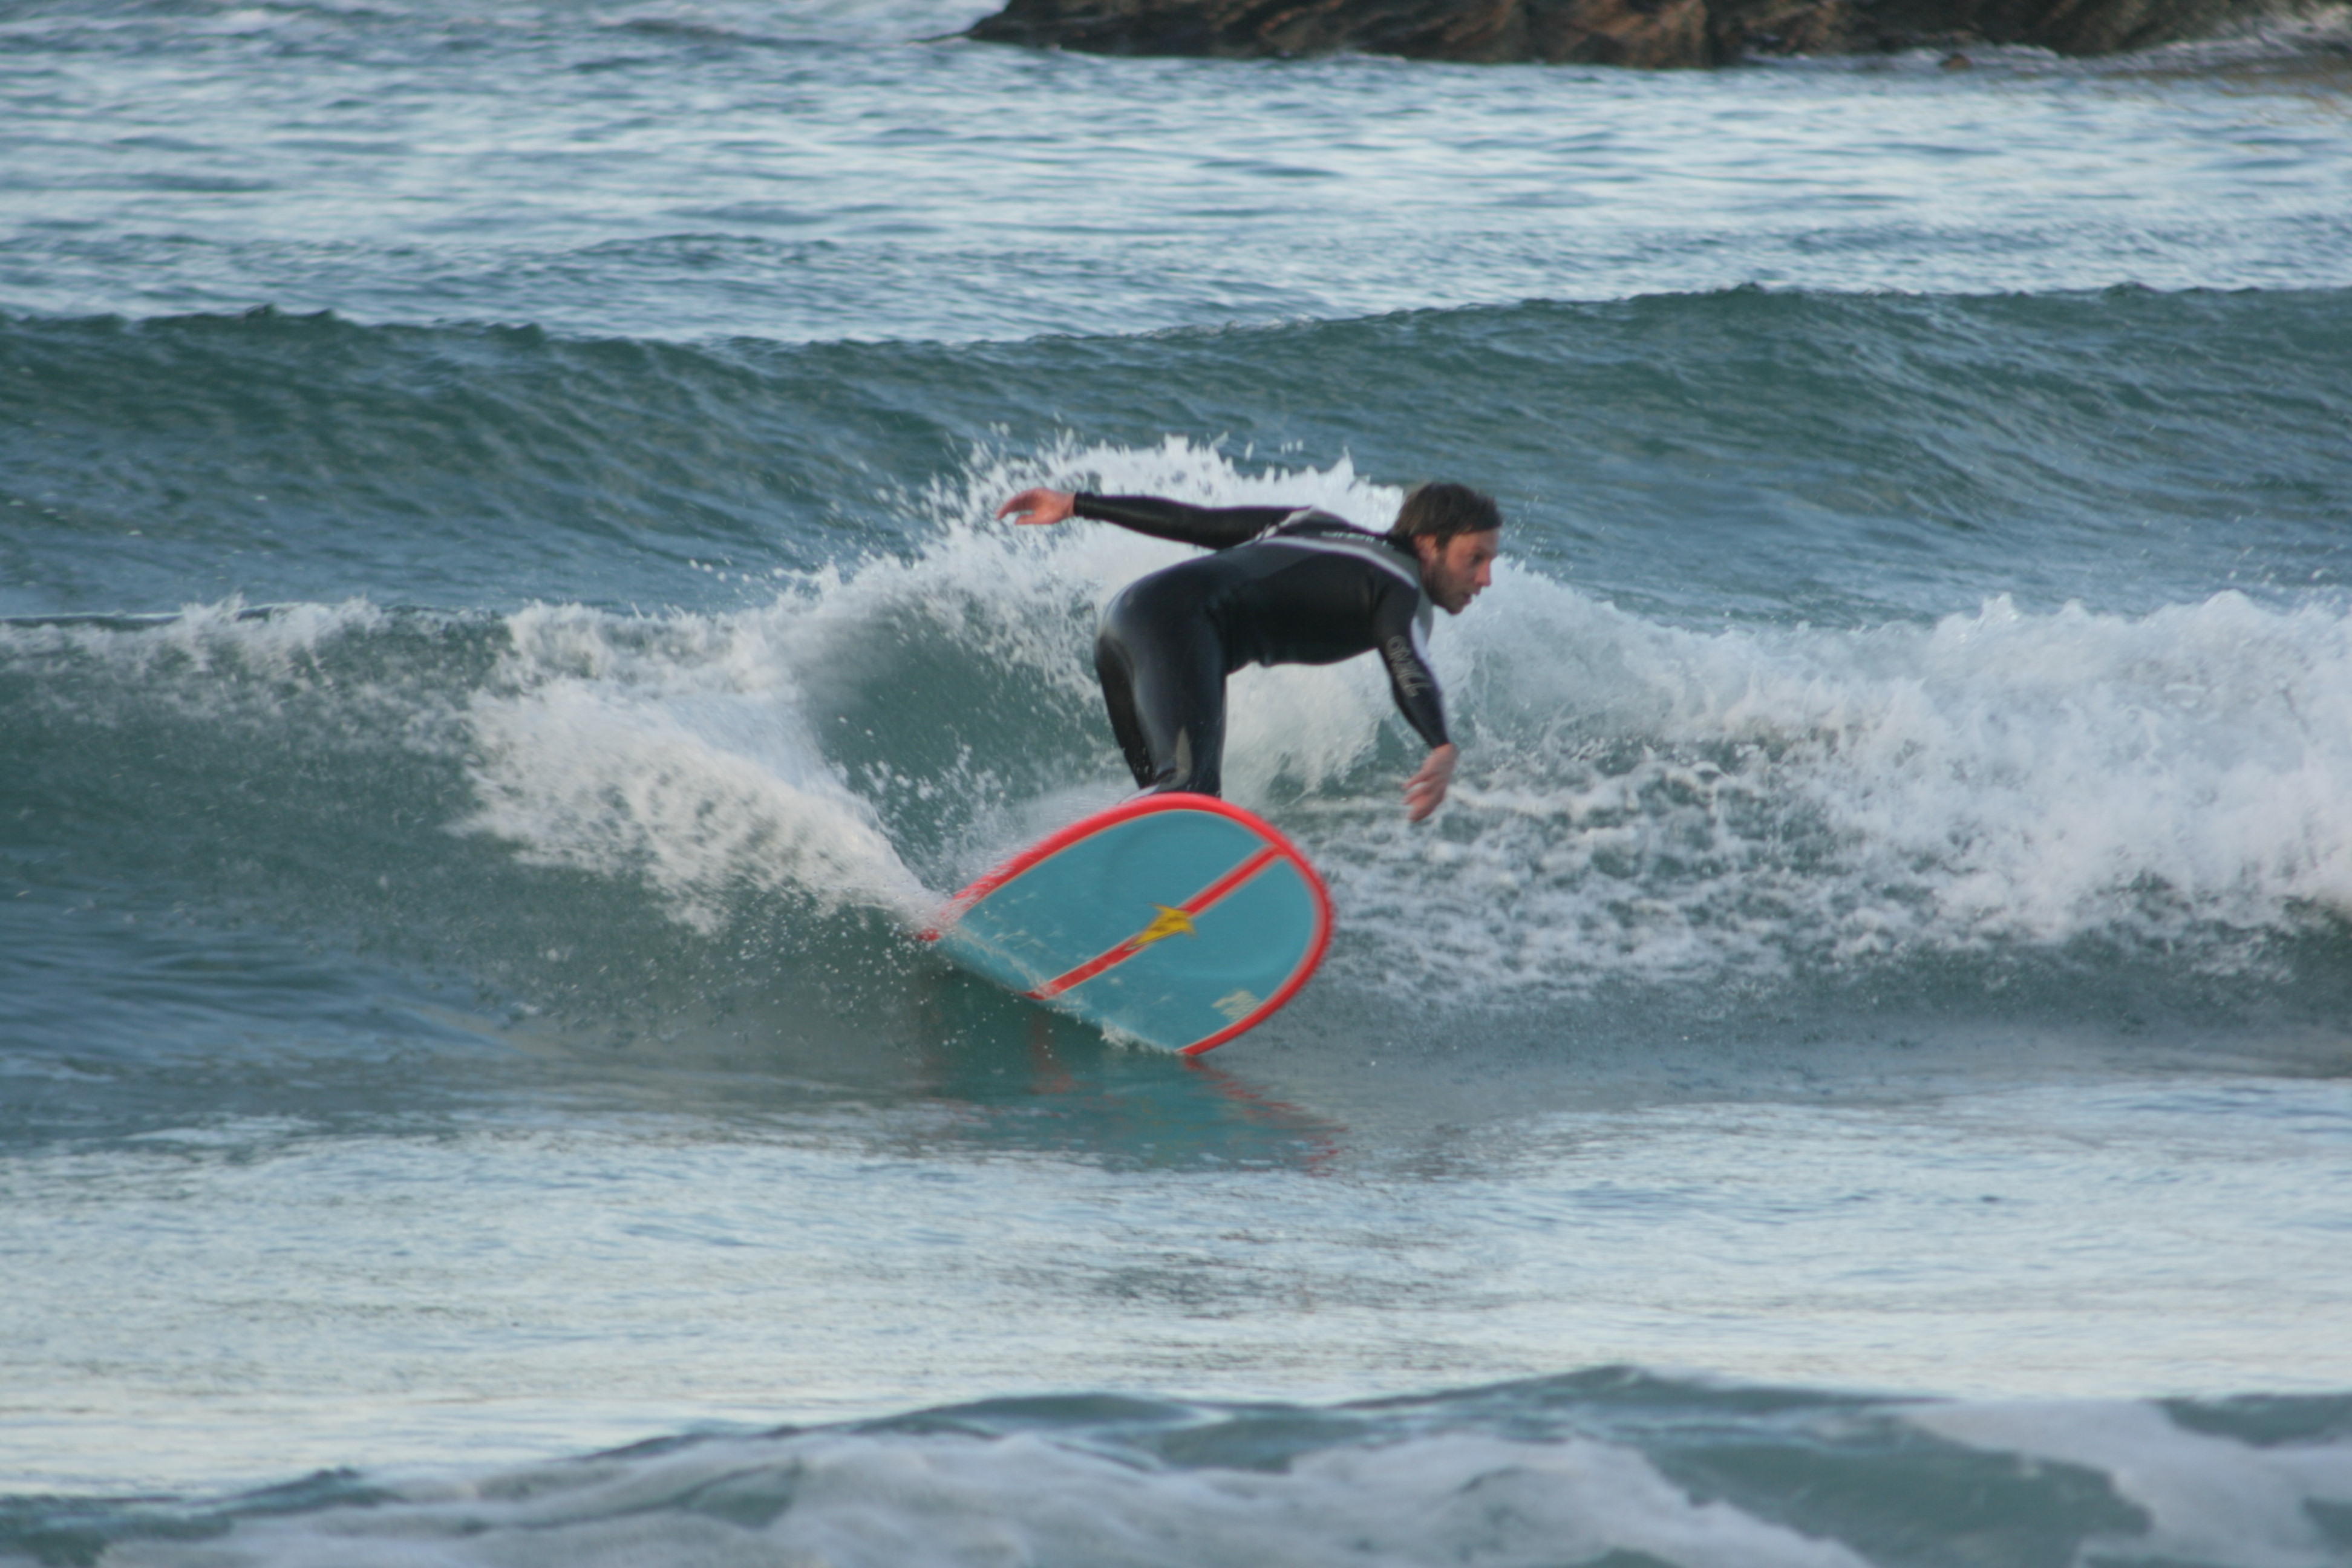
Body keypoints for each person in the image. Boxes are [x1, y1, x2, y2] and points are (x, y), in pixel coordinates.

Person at [995, 481, 1502, 822]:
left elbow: (1196, 522)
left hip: (1127, 618)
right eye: (1473, 558)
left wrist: (1077, 504)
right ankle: (1080, 890)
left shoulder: (1314, 523)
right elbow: (1405, 657)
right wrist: (1440, 743)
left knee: (1168, 810)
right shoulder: (1400, 582)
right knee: (1191, 792)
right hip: (1178, 624)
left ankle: (1140, 917)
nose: (1484, 578)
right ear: (1429, 544)